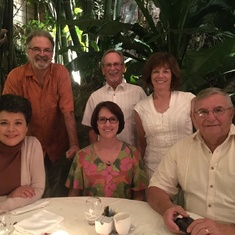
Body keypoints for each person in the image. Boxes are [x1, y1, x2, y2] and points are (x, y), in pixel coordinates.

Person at [2, 29, 80, 197]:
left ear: (52, 53)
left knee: (56, 193)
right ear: (27, 51)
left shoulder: (60, 72)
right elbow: (9, 114)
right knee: (31, 193)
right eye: (36, 49)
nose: (42, 54)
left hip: (56, 145)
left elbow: (68, 111)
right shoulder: (16, 76)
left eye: (47, 50)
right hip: (26, 146)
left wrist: (74, 144)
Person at [147, 87, 235, 234]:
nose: (211, 117)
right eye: (202, 112)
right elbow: (156, 188)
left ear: (231, 113)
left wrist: (223, 229)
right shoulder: (181, 149)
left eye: (218, 110)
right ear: (193, 118)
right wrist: (167, 208)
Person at [66, 101, 148, 200]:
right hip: (90, 214)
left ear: (119, 122)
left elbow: (139, 197)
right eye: (102, 120)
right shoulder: (82, 157)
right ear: (95, 124)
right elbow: (72, 198)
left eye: (113, 119)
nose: (107, 124)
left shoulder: (133, 155)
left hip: (124, 215)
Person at [134, 52, 195, 179]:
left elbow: (202, 134)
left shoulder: (188, 100)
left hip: (186, 169)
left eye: (166, 71)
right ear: (150, 76)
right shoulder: (140, 108)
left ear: (173, 75)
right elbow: (141, 143)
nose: (160, 76)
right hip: (153, 172)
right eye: (156, 71)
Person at [82, 49, 146, 146]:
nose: (112, 68)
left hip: (131, 155)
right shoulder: (95, 97)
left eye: (116, 64)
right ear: (103, 70)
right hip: (103, 156)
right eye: (108, 65)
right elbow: (92, 130)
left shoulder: (138, 93)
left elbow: (146, 126)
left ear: (123, 67)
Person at [0, 94, 45, 211]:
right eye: (4, 123)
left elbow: (38, 189)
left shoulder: (33, 145)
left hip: (22, 216)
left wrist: (7, 204)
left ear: (26, 127)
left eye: (18, 123)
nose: (11, 129)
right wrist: (9, 198)